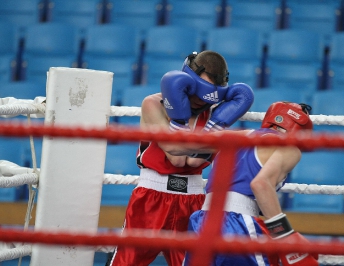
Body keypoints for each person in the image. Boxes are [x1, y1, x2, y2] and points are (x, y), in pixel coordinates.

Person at [107, 50, 254, 266]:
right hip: (151, 197)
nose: (199, 100)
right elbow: (174, 152)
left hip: (193, 199)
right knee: (126, 263)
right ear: (186, 81)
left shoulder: (213, 115)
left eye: (208, 95)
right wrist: (235, 136)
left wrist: (215, 127)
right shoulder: (153, 104)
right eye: (197, 91)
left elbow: (194, 162)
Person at [180, 101, 319, 266]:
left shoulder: (238, 135)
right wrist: (285, 236)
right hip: (239, 225)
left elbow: (184, 145)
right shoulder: (289, 148)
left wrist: (212, 122)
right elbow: (260, 184)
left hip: (202, 221)